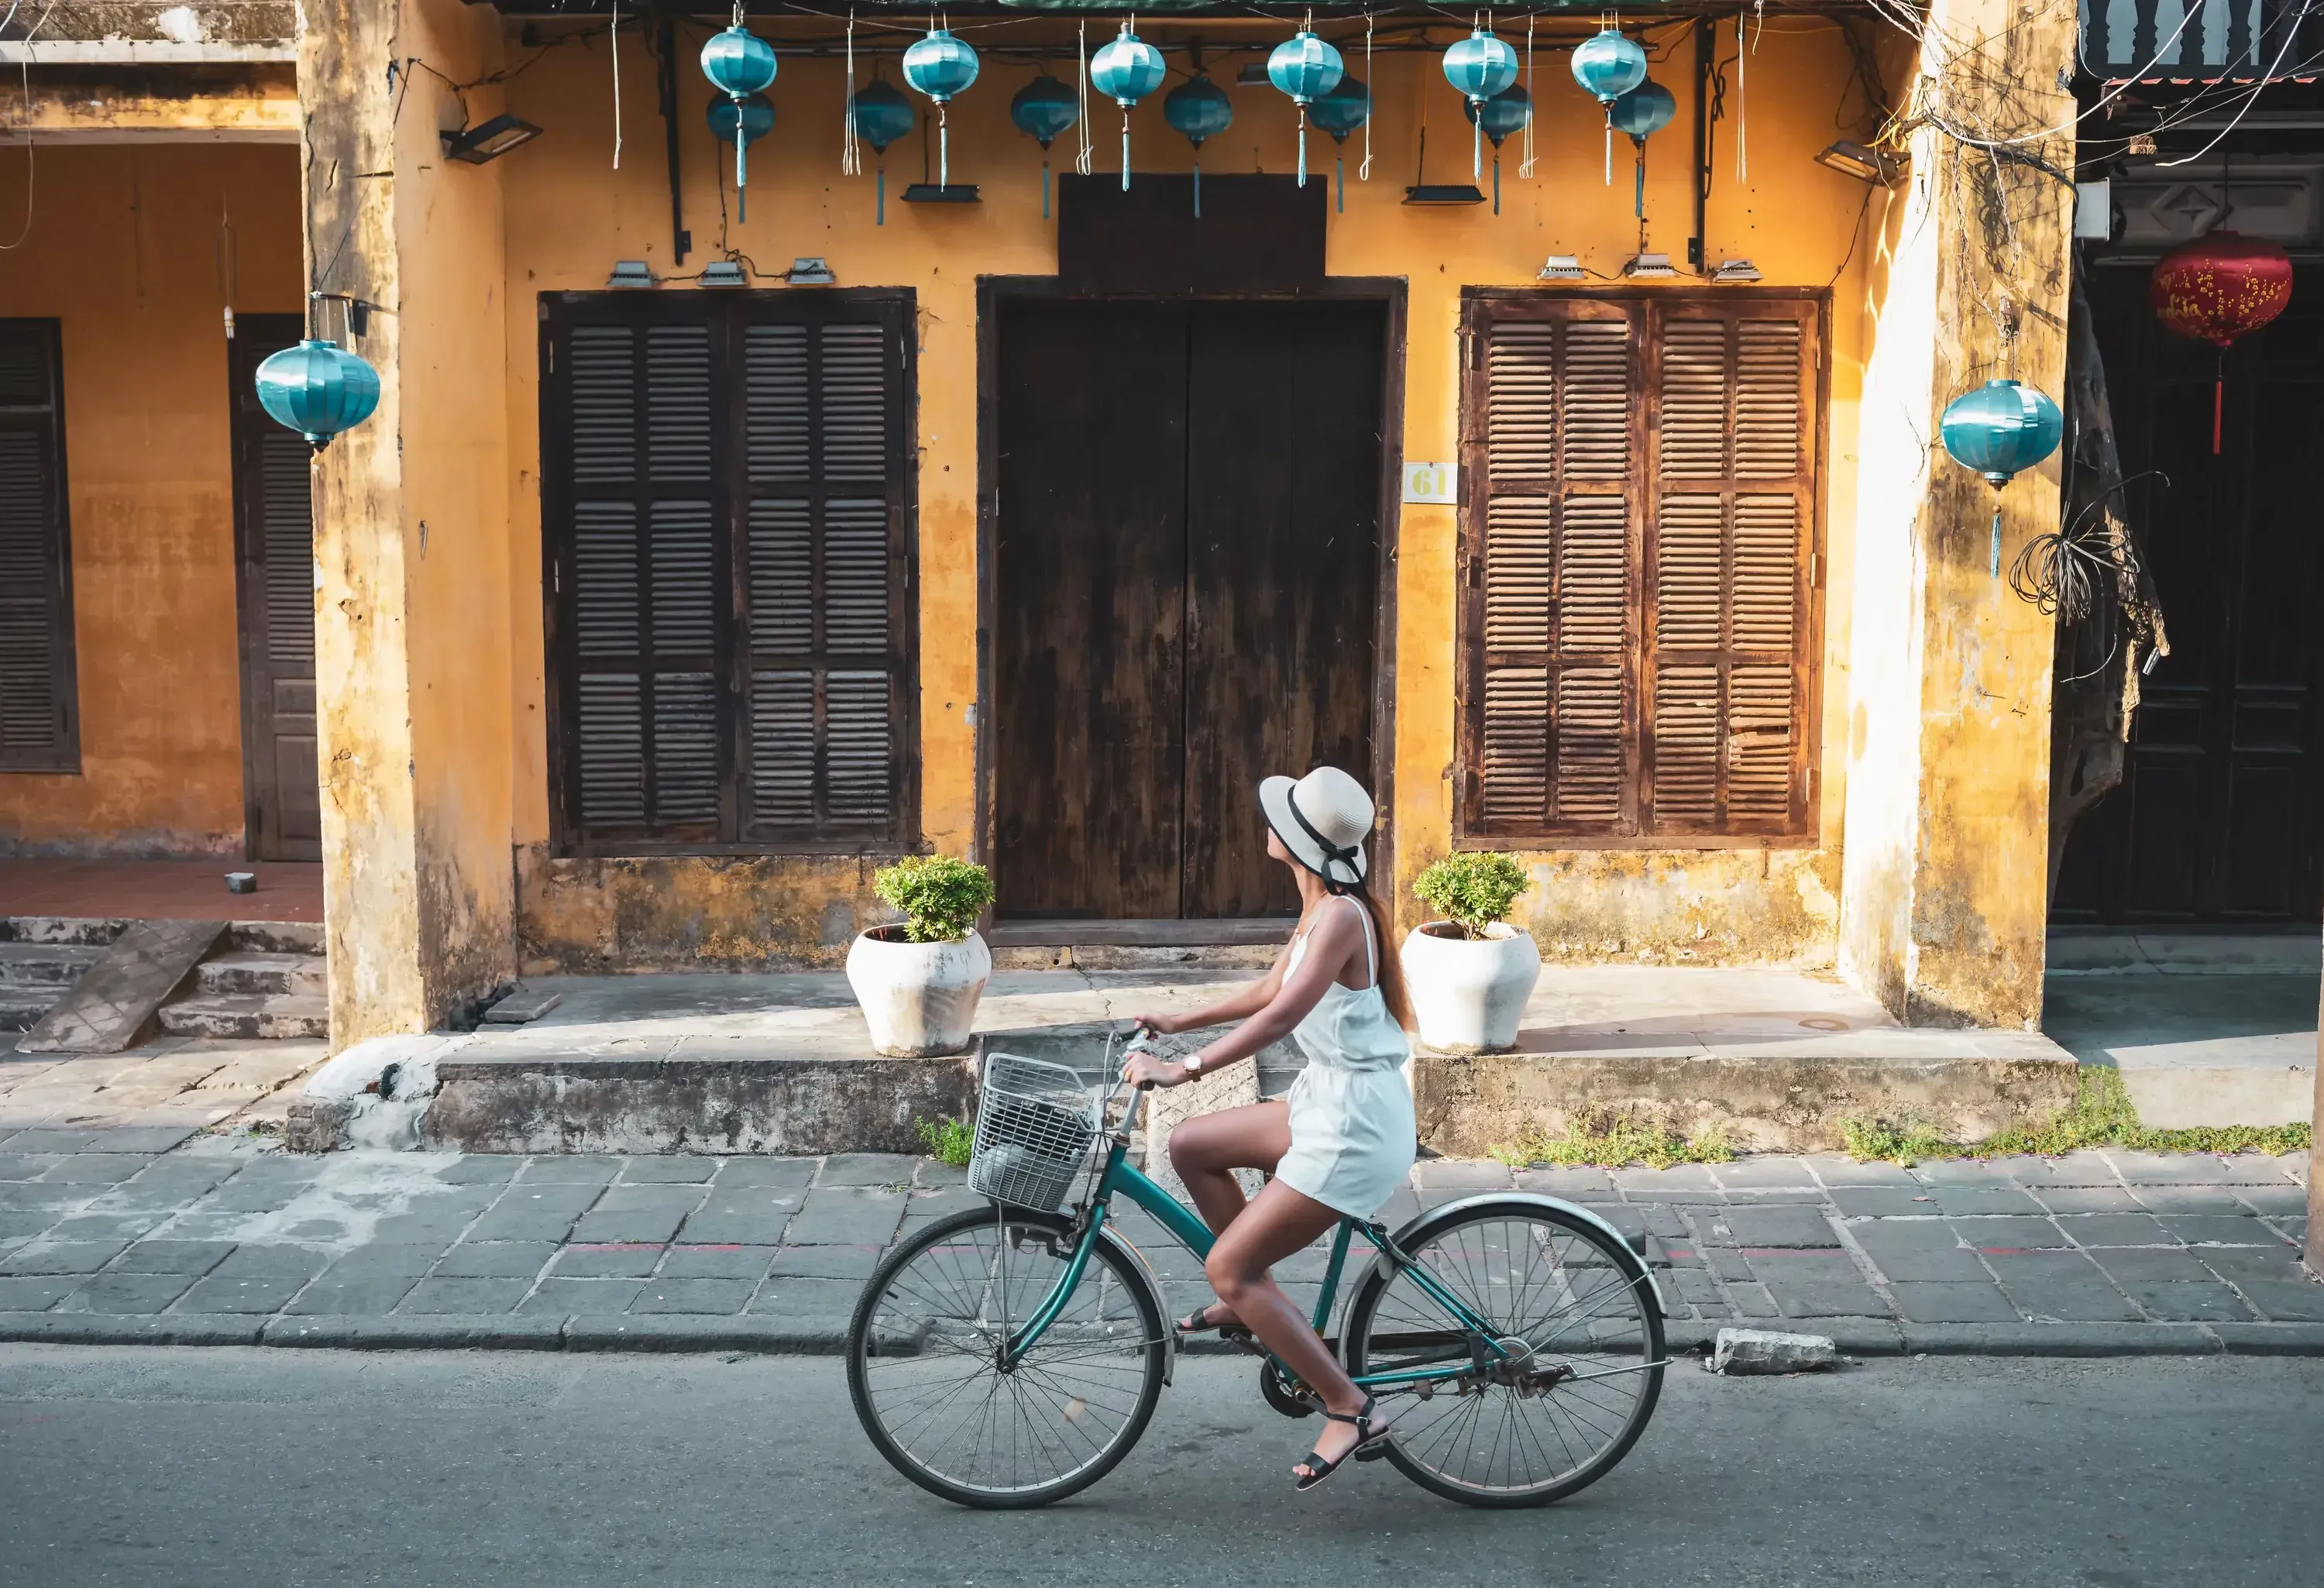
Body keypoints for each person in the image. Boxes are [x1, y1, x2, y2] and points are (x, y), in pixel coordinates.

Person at [1121, 765, 1417, 1491]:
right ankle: (1255, 1302)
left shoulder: (1343, 917)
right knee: (1190, 1145)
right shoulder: (1322, 908)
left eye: (1282, 818)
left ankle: (1350, 1407)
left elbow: (1280, 1018)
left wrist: (1181, 1069)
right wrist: (1176, 1019)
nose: (1269, 823)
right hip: (1326, 1103)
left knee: (1228, 1261)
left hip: (1353, 1128)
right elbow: (1266, 991)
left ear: (1298, 842)